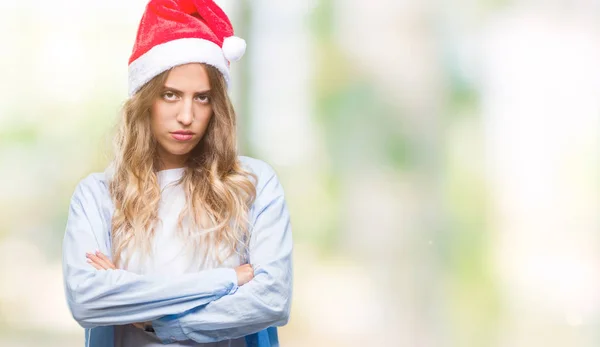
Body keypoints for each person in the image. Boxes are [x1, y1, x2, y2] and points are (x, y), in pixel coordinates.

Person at [61, 1, 293, 346]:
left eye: (202, 98)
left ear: (216, 107)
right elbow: (87, 301)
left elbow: (272, 301)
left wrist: (152, 319)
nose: (186, 115)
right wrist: (226, 280)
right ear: (145, 100)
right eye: (170, 95)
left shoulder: (253, 184)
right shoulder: (99, 194)